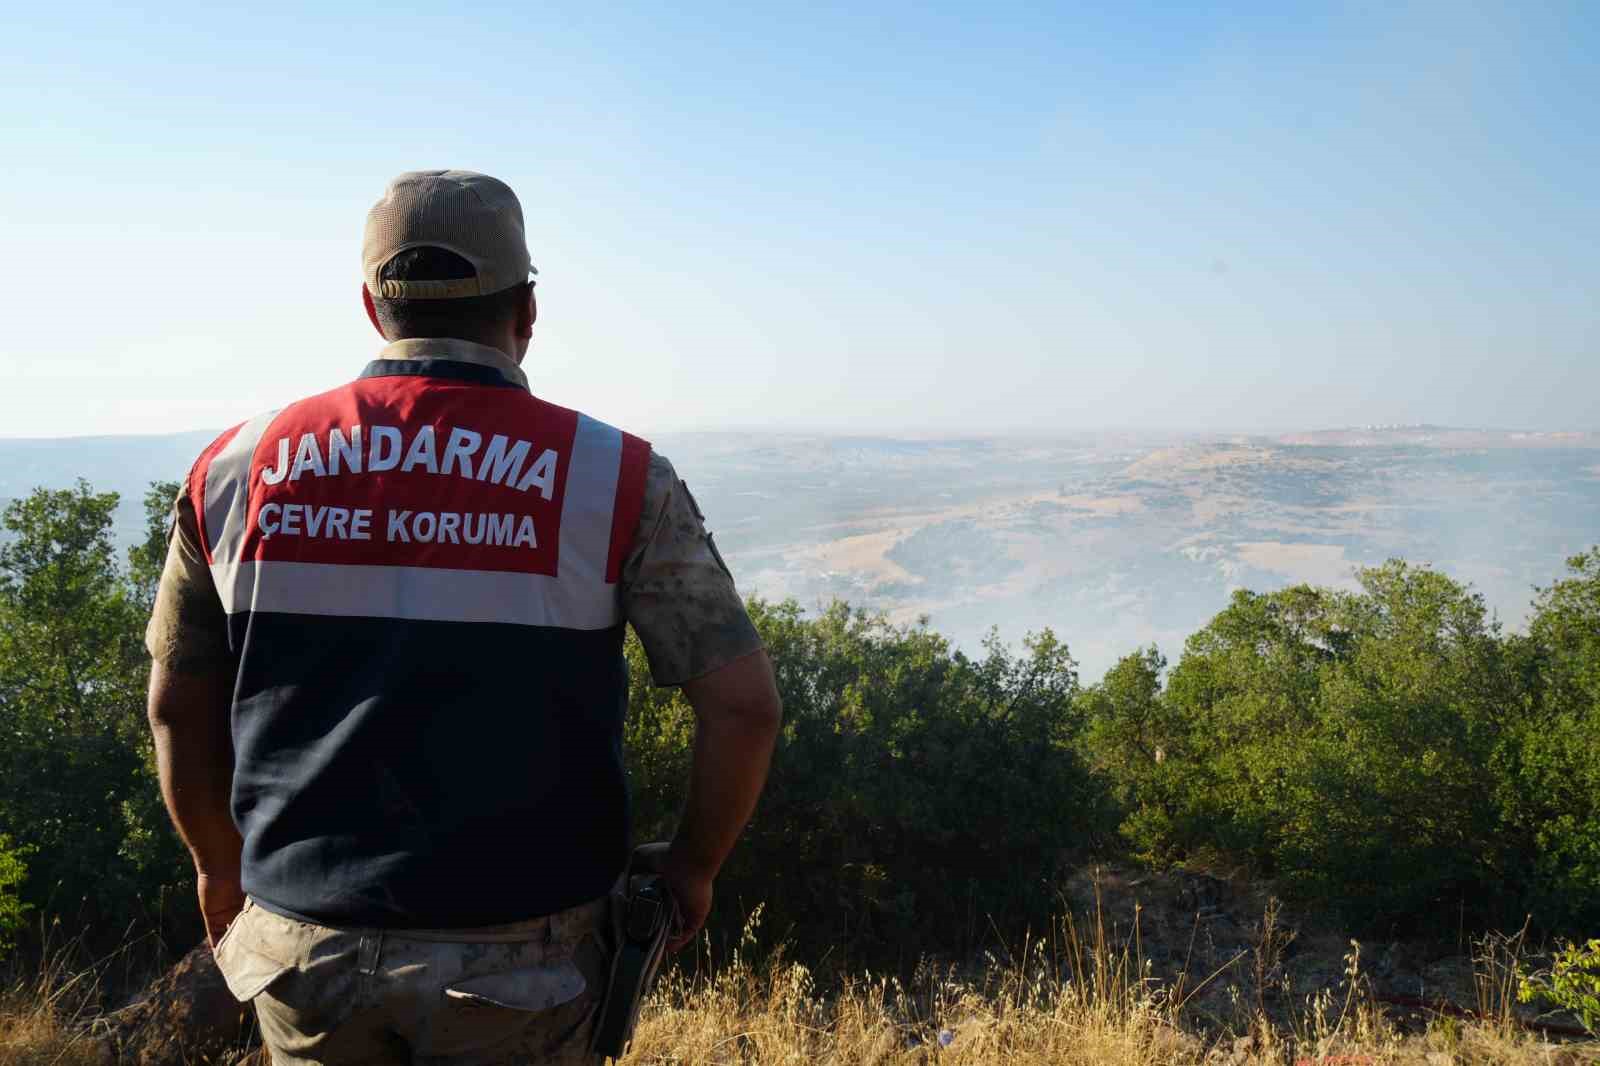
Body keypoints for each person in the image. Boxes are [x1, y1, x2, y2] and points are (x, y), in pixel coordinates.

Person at [143, 170, 782, 1065]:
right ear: (527, 310)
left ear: (373, 308)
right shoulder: (617, 478)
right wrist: (694, 868)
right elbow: (744, 707)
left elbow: (176, 701)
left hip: (297, 944)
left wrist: (219, 863)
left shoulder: (233, 469)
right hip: (525, 962)